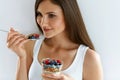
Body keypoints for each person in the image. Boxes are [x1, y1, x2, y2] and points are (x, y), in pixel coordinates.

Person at [7, 0, 103, 80]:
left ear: (68, 15)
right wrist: (21, 57)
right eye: (39, 14)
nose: (43, 23)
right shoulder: (31, 45)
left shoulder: (89, 58)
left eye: (51, 15)